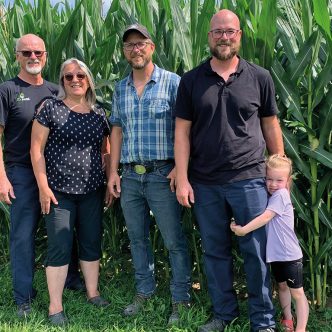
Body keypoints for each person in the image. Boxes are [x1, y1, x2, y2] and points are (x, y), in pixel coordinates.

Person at [174, 9, 284, 332]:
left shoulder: (259, 77)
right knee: (215, 251)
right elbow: (181, 132)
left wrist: (280, 173)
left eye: (230, 32)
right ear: (208, 37)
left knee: (256, 252)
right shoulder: (191, 81)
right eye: (218, 32)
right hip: (205, 182)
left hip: (250, 179)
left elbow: (270, 124)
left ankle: (263, 320)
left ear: (239, 36)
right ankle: (223, 314)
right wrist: (182, 177)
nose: (224, 37)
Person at [108, 24, 191, 325]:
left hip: (162, 174)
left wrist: (181, 170)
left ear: (152, 47)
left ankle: (180, 299)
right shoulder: (120, 88)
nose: (136, 49)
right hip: (130, 176)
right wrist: (114, 172)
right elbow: (116, 130)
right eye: (129, 45)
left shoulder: (173, 83)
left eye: (140, 43)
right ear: (124, 51)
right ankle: (144, 291)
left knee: (173, 240)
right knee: (137, 239)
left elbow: (186, 129)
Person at [0, 34, 82, 318]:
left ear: (46, 55)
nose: (33, 57)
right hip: (21, 174)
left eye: (38, 52)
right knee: (22, 236)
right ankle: (23, 297)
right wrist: (2, 178)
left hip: (57, 175)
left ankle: (71, 281)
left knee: (62, 230)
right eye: (26, 53)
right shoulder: (8, 90)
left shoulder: (55, 91)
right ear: (17, 56)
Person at [30, 58, 110, 325]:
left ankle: (93, 292)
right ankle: (55, 306)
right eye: (68, 77)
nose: (75, 80)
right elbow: (36, 150)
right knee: (59, 247)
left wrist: (109, 178)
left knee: (90, 242)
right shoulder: (50, 108)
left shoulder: (99, 114)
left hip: (91, 191)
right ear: (62, 81)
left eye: (80, 76)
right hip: (58, 192)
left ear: (88, 80)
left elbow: (105, 151)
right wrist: (43, 186)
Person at [230, 155, 309, 332]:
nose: (273, 184)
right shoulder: (272, 194)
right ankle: (288, 319)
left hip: (289, 255)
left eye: (279, 180)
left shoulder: (281, 195)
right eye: (269, 179)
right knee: (282, 287)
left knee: (297, 292)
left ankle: (301, 329)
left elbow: (265, 217)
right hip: (276, 255)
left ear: (288, 181)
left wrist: (243, 230)